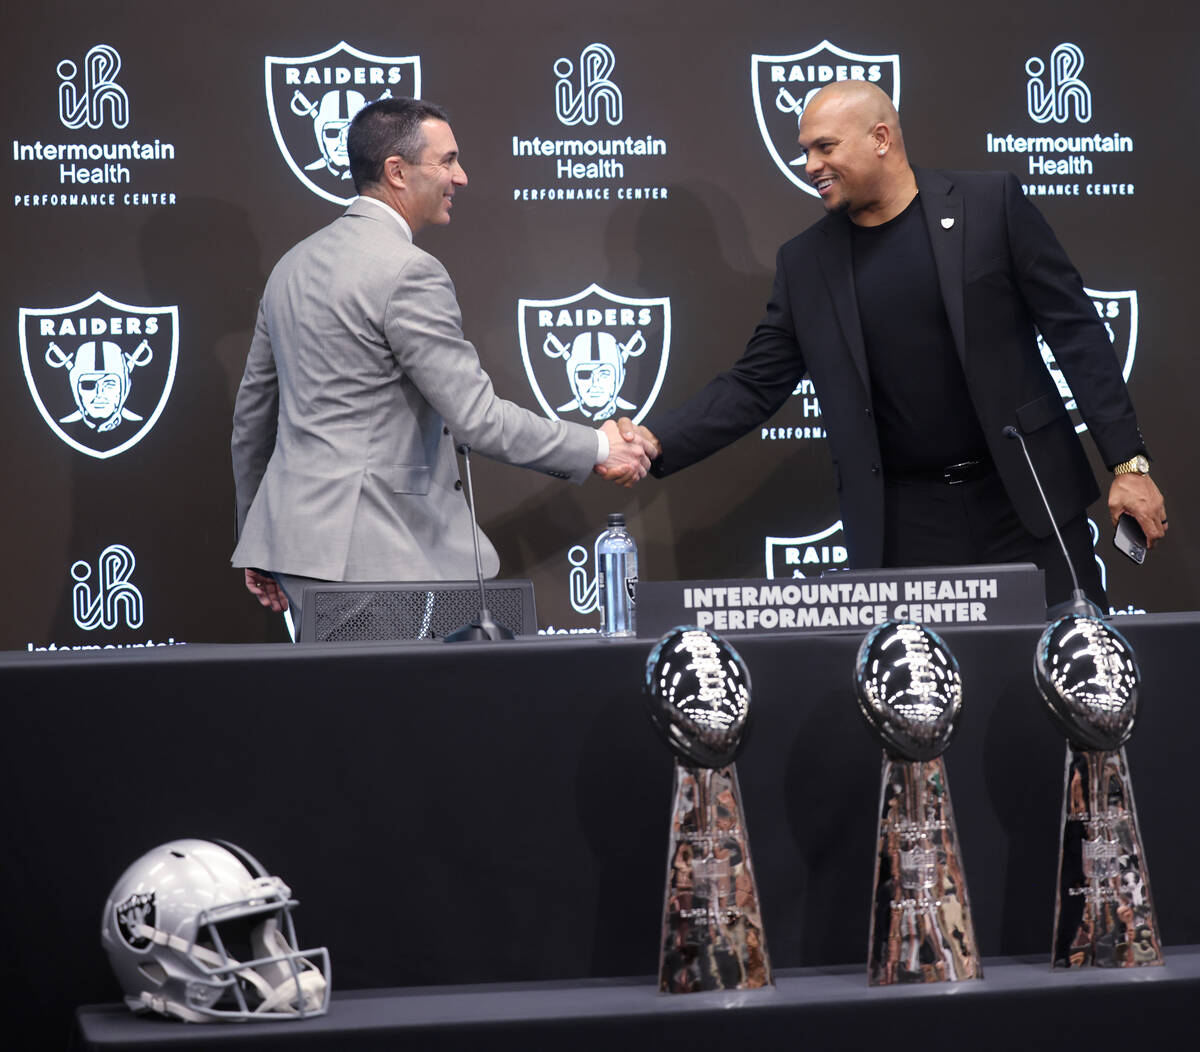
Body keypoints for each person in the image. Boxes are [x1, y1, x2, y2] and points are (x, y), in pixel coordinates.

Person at [623, 80, 1166, 608]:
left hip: (1025, 500)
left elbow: (1078, 334)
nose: (810, 165)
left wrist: (1128, 465)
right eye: (805, 151)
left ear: (880, 139)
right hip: (906, 525)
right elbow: (753, 384)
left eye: (825, 147)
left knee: (1068, 670)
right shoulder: (806, 264)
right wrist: (653, 438)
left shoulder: (990, 206)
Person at [232, 98, 649, 618]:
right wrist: (596, 445)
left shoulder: (290, 266)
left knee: (338, 700)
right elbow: (478, 420)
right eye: (447, 161)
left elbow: (252, 421)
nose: (462, 176)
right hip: (378, 558)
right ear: (397, 172)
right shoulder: (409, 271)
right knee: (398, 700)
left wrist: (258, 541)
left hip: (294, 550)